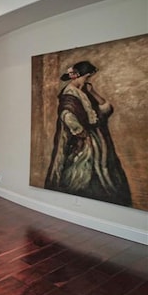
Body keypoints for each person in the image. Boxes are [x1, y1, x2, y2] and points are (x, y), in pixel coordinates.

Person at [45, 61, 132, 206]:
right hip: (83, 142)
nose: (88, 80)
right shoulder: (70, 94)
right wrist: (81, 133)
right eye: (87, 77)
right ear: (79, 76)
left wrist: (93, 92)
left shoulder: (84, 92)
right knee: (81, 172)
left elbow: (106, 110)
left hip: (95, 140)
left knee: (102, 170)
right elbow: (67, 115)